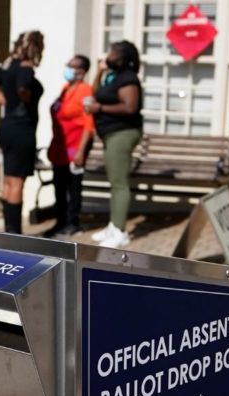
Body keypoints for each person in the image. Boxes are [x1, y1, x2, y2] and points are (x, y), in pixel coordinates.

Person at [84, 40, 143, 248]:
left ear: (122, 57)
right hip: (110, 134)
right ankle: (113, 225)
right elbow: (94, 93)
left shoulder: (128, 79)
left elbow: (130, 107)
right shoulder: (113, 77)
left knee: (119, 183)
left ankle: (120, 231)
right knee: (115, 181)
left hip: (123, 133)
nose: (108, 55)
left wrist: (99, 108)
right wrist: (100, 72)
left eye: (112, 52)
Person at [0, 31, 45, 234]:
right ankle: (15, 234)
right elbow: (23, 88)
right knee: (17, 182)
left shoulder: (8, 65)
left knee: (8, 180)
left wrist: (8, 102)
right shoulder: (26, 68)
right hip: (22, 130)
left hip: (7, 127)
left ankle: (8, 230)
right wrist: (23, 97)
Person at [42, 55, 95, 238]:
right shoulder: (65, 89)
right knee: (59, 185)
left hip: (74, 146)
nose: (67, 68)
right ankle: (60, 221)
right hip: (60, 146)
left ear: (81, 71)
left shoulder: (85, 90)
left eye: (71, 66)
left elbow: (89, 124)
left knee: (73, 186)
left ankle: (73, 222)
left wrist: (81, 151)